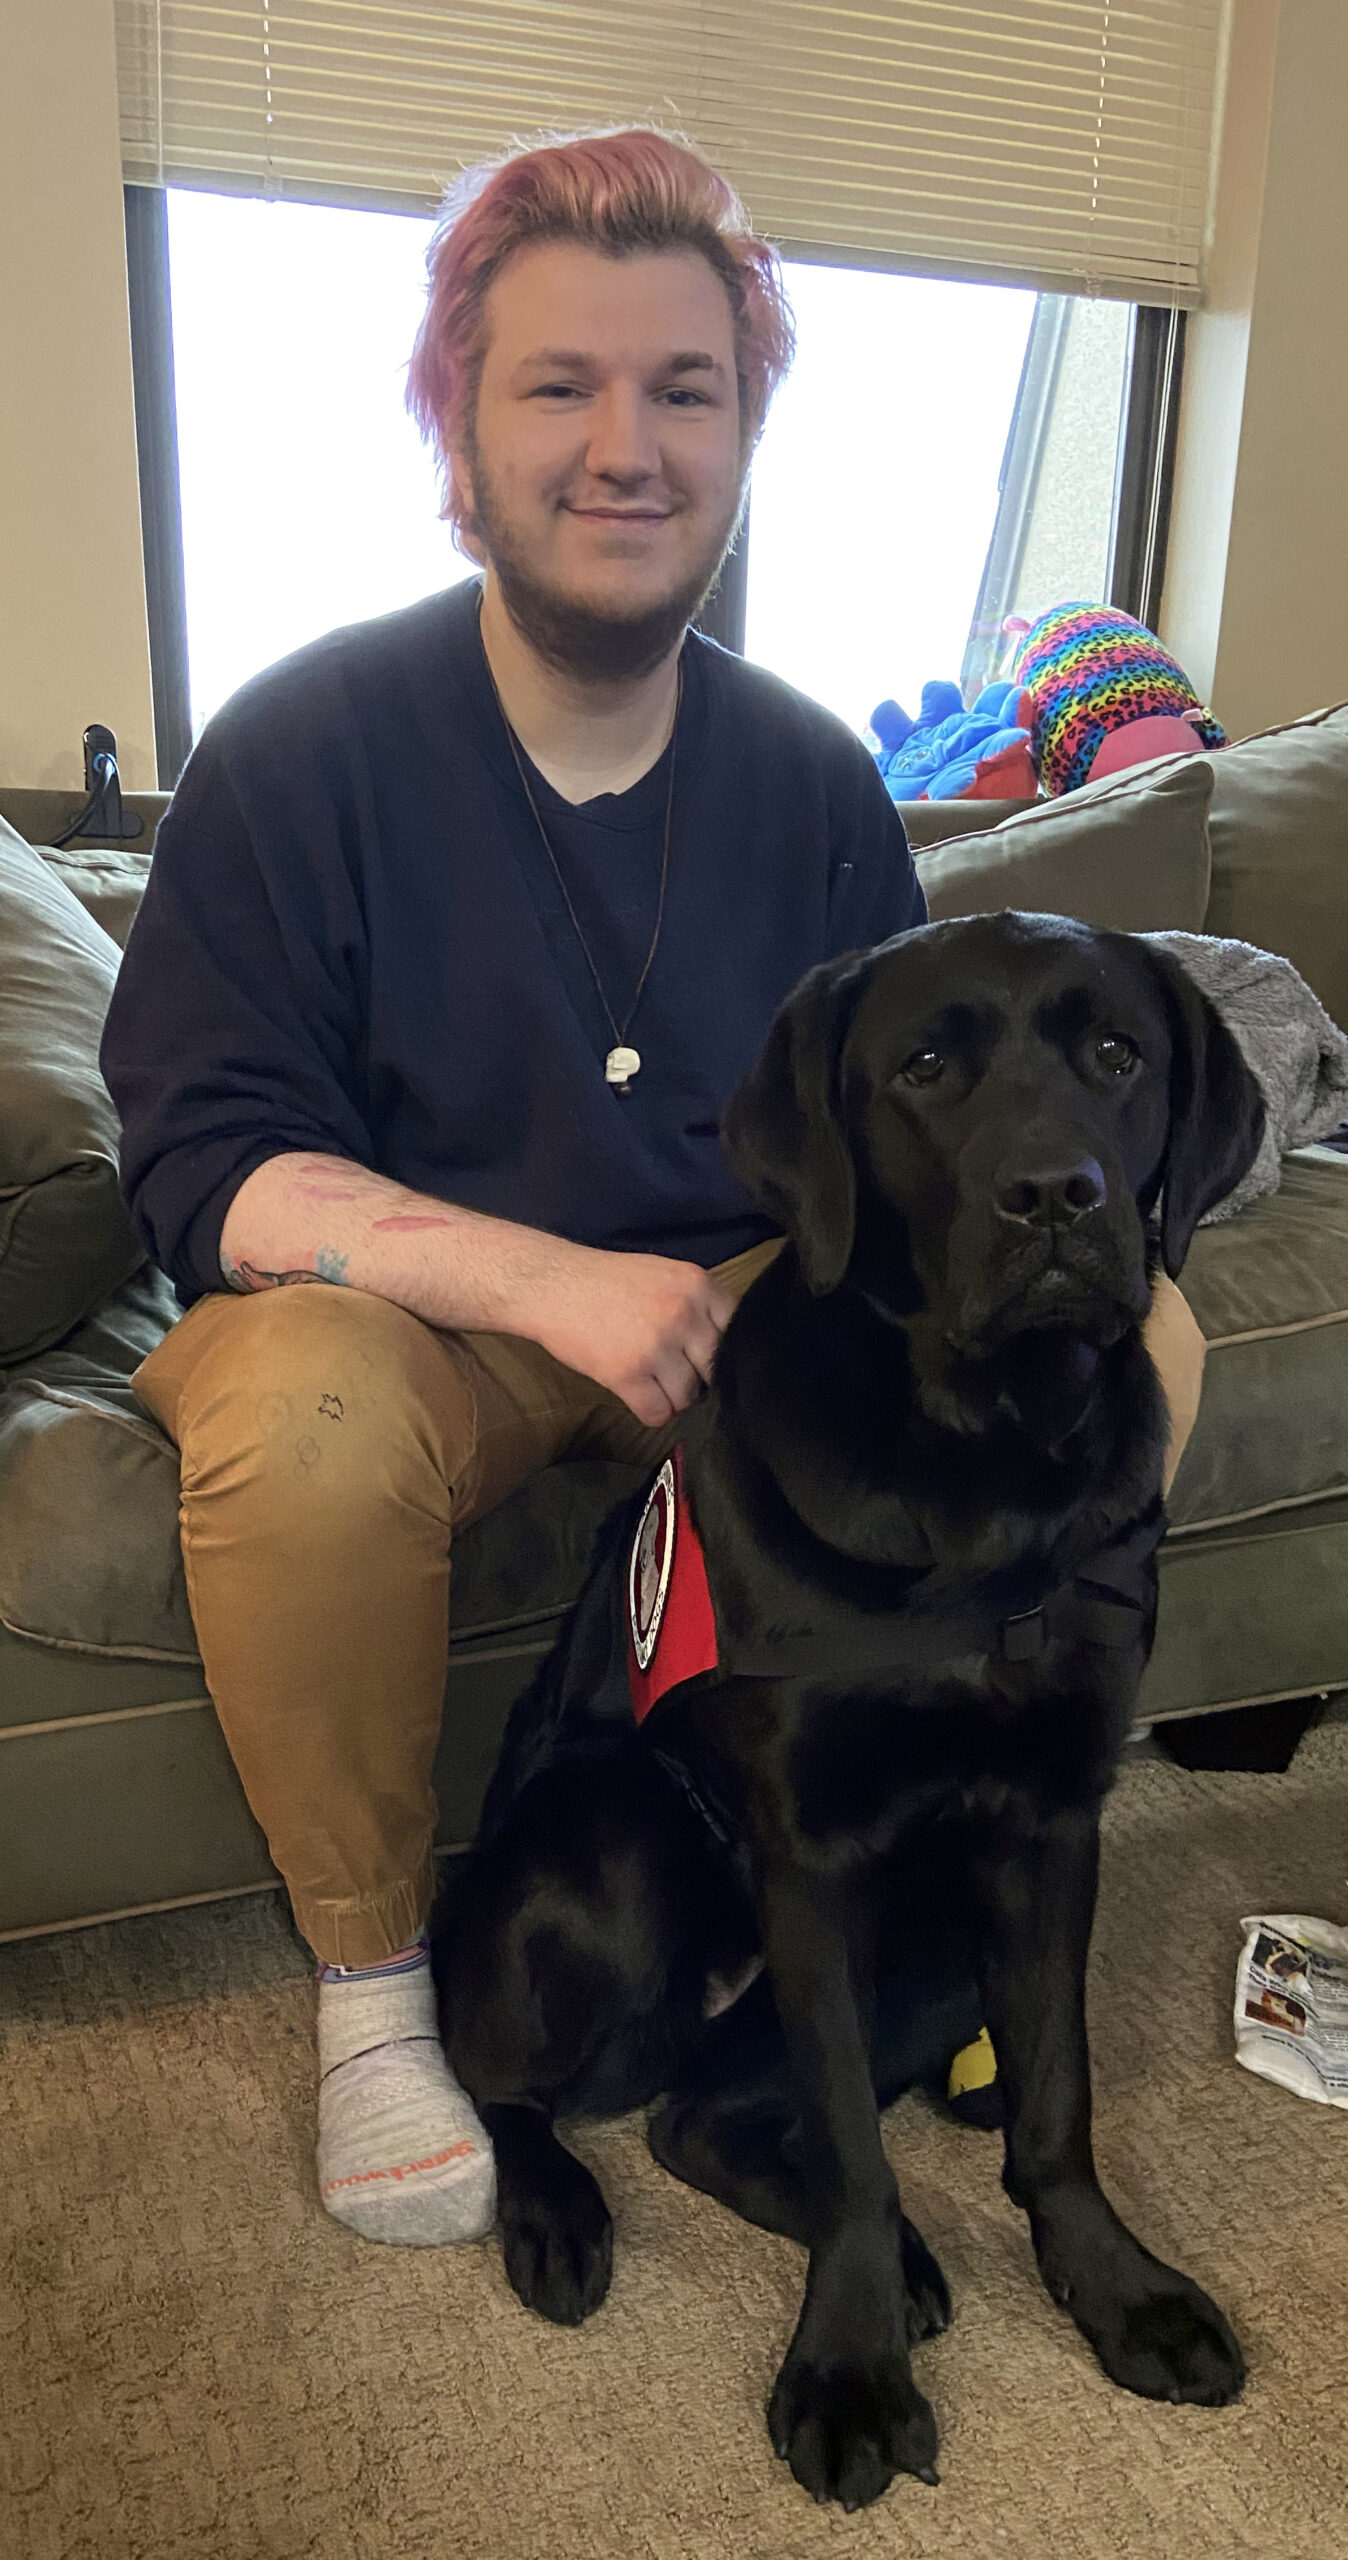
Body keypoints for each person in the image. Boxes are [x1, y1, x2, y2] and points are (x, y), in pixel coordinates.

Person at [99, 127, 1207, 2251]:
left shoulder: (807, 779)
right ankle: (366, 1980)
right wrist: (549, 1279)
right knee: (302, 1411)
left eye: (683, 391)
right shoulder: (301, 746)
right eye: (559, 386)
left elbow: (899, 1144)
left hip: (743, 1307)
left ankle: (977, 1855)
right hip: (411, 1323)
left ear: (741, 434)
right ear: (457, 431)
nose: (627, 445)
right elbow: (206, 1170)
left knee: (1128, 1321)